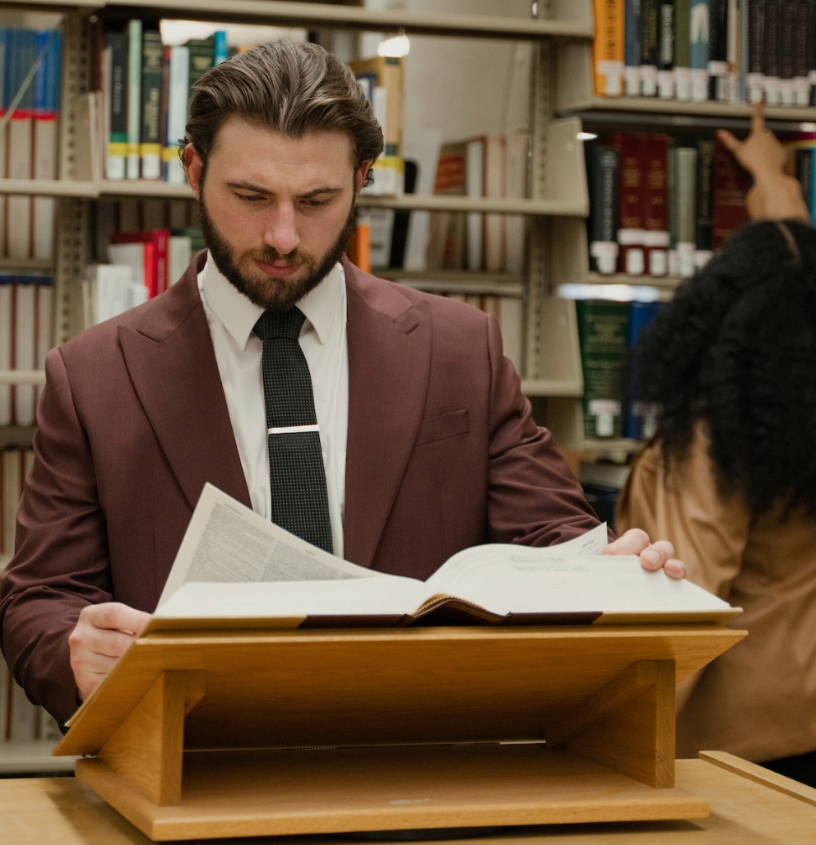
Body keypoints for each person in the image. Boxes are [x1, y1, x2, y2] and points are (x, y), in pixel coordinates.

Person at [0, 40, 684, 725]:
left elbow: (551, 535)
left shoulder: (458, 350)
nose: (283, 236)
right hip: (187, 771)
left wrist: (606, 567)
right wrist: (74, 650)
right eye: (250, 196)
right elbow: (38, 596)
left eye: (317, 200)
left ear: (361, 181)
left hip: (417, 772)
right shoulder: (95, 377)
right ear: (193, 170)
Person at [616, 105, 816, 805]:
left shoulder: (721, 430)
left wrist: (610, 729)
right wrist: (772, 178)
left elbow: (687, 595)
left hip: (745, 734)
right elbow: (798, 260)